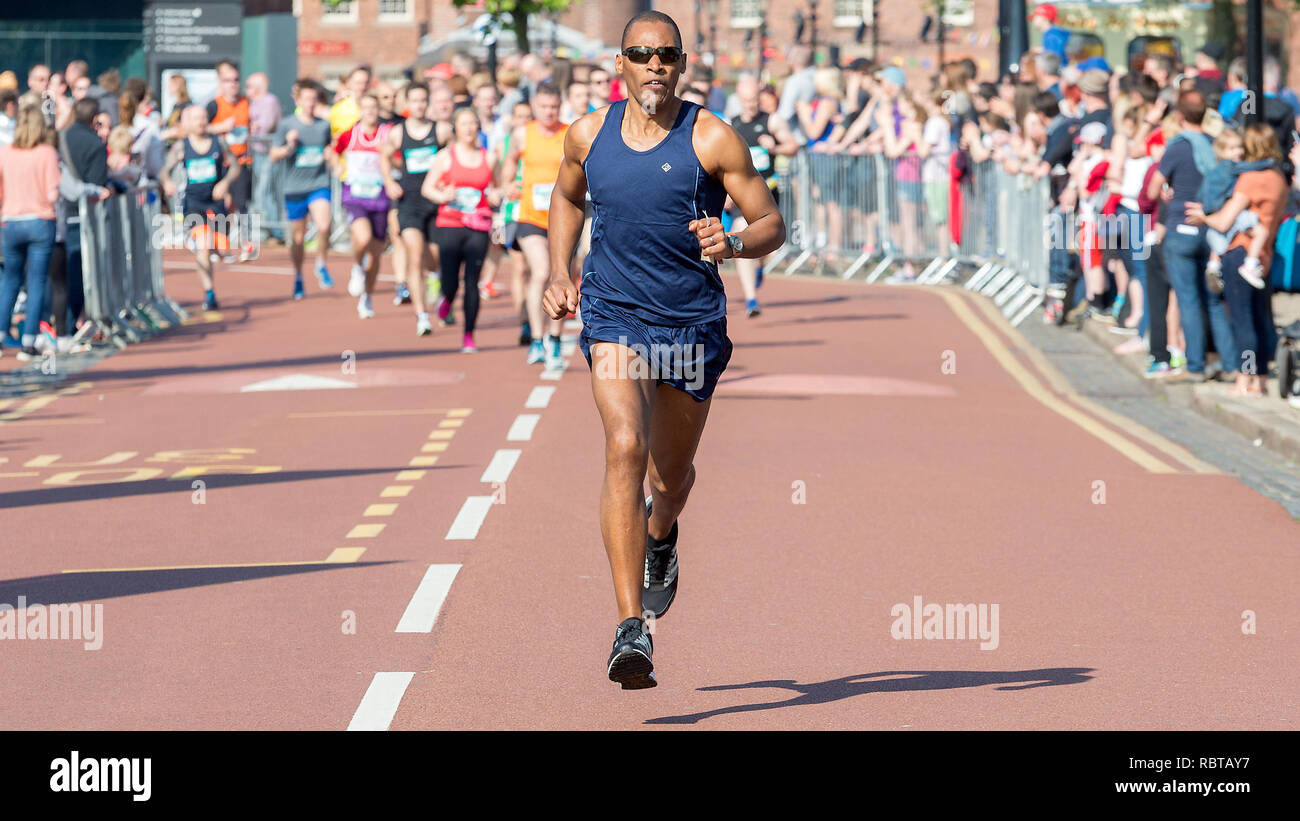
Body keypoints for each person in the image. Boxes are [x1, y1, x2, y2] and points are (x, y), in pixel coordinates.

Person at [542, 11, 785, 689]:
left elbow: (772, 221)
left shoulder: (710, 136)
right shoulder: (588, 133)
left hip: (689, 326)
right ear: (620, 63)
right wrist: (560, 270)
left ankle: (661, 533)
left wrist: (734, 242)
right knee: (625, 445)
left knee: (669, 477)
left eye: (667, 55)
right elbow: (566, 198)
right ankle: (629, 627)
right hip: (614, 314)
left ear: (681, 64)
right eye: (641, 54)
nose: (655, 65)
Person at [1187, 124, 1288, 397]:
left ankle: (1244, 379)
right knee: (1260, 317)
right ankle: (1261, 380)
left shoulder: (1250, 180)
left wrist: (1204, 217)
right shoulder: (1278, 177)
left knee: (1242, 319)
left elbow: (1223, 222)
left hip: (1240, 252)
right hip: (1263, 254)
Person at [1146, 89, 1236, 383]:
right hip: (1210, 231)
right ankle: (1231, 363)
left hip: (1180, 230)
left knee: (1188, 300)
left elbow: (1151, 190)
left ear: (1179, 115)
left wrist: (1166, 192)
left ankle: (1195, 365)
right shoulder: (1215, 145)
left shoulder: (1176, 147)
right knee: (1212, 300)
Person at [498, 81, 567, 368]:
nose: (549, 112)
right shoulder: (522, 135)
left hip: (562, 218)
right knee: (540, 272)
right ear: (535, 106)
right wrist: (507, 185)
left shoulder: (568, 134)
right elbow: (509, 162)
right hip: (530, 216)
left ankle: (554, 338)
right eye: (544, 107)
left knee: (562, 278)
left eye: (554, 107)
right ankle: (537, 339)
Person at [422, 107, 500, 353]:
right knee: (451, 281)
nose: (468, 128)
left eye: (472, 123)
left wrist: (499, 196)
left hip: (478, 225)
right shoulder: (445, 156)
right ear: (455, 128)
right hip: (450, 223)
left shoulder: (489, 158)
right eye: (463, 123)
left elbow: (496, 189)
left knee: (472, 280)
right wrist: (443, 195)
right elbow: (427, 188)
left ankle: (469, 335)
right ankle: (446, 299)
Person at [380, 81, 452, 335]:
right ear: (407, 104)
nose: (419, 105)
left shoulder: (442, 131)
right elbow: (384, 155)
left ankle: (436, 277)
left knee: (433, 257)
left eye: (423, 100)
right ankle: (422, 315)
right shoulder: (398, 133)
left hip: (435, 201)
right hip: (409, 201)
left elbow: (454, 157)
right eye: (415, 101)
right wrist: (389, 180)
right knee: (414, 252)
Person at [729, 73, 798, 317]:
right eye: (746, 100)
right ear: (739, 98)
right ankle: (751, 300)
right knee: (741, 233)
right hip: (743, 196)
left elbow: (793, 146)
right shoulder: (732, 124)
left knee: (768, 247)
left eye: (754, 100)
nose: (751, 105)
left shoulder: (773, 121)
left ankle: (760, 267)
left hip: (768, 193)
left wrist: (775, 147)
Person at [162, 104, 240, 311]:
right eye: (196, 118)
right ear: (188, 122)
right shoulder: (181, 146)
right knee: (204, 248)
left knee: (221, 248)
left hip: (216, 202)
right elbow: (164, 171)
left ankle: (216, 252)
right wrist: (167, 182)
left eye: (203, 117)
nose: (201, 122)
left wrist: (225, 184)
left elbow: (235, 166)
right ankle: (210, 293)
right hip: (194, 203)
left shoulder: (218, 142)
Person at [0, 105, 60, 360]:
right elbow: (52, 193)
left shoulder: (5, 153)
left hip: (11, 221)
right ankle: (29, 341)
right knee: (36, 281)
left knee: (10, 280)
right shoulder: (46, 152)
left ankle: (1, 333)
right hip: (39, 220)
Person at [270, 80, 336, 300]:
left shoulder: (323, 125)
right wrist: (289, 146)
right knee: (297, 239)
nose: (310, 104)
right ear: (297, 101)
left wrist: (330, 154)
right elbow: (273, 155)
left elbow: (330, 147)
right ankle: (298, 276)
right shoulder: (287, 125)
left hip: (318, 184)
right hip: (294, 188)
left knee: (324, 225)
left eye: (313, 99)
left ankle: (321, 264)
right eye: (306, 99)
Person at [335, 91, 393, 319]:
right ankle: (357, 267)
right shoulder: (351, 134)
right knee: (363, 238)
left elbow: (398, 159)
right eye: (366, 108)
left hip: (379, 197)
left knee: (377, 253)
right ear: (360, 110)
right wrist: (336, 165)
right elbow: (333, 150)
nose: (370, 112)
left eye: (374, 108)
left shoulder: (387, 134)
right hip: (355, 196)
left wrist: (388, 155)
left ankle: (366, 297)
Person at [206, 60, 255, 259]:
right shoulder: (214, 105)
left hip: (242, 163)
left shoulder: (246, 103)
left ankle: (246, 245)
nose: (233, 84)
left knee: (241, 205)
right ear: (221, 83)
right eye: (228, 81)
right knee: (221, 206)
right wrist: (221, 127)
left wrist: (255, 129)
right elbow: (201, 129)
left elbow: (254, 127)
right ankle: (219, 246)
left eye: (236, 80)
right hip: (221, 164)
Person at [246, 72, 283, 245]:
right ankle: (266, 229)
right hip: (257, 154)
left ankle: (276, 231)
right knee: (260, 192)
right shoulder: (253, 103)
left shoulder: (269, 101)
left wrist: (252, 128)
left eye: (249, 86)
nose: (247, 90)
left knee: (265, 192)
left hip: (268, 153)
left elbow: (265, 127)